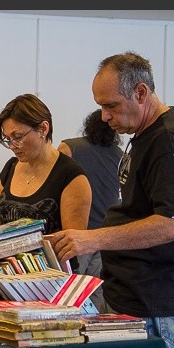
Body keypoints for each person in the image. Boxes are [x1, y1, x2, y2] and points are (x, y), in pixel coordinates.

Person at [46, 51, 174, 348]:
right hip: (137, 288)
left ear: (140, 92)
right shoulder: (147, 134)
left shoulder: (169, 141)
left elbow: (172, 224)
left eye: (111, 106)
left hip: (155, 293)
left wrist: (94, 238)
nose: (104, 117)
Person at [0, 94, 91, 273]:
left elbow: (71, 242)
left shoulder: (71, 176)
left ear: (43, 129)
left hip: (50, 276)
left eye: (18, 136)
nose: (13, 145)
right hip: (9, 272)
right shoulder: (11, 167)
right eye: (8, 139)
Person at [57, 109, 123, 313]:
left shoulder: (69, 147)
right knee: (96, 292)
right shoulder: (121, 156)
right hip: (105, 235)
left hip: (76, 234)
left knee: (68, 292)